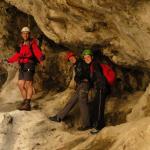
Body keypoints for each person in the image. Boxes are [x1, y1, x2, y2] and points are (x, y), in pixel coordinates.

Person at [0, 26, 45, 111]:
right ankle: (25, 101)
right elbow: (17, 55)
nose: (25, 35)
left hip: (29, 65)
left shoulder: (32, 43)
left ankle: (27, 104)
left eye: (27, 33)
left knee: (29, 84)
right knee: (20, 84)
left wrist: (41, 59)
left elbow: (37, 52)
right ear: (21, 34)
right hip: (22, 66)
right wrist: (8, 60)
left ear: (29, 34)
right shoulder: (21, 44)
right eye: (24, 33)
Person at [49, 51, 92, 131]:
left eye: (72, 57)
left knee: (83, 103)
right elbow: (78, 77)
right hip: (81, 85)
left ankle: (87, 124)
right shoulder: (77, 65)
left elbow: (84, 74)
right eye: (70, 59)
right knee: (72, 101)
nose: (71, 59)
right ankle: (59, 117)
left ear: (75, 56)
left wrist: (83, 79)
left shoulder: (81, 63)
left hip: (84, 84)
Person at [82, 49, 110, 134]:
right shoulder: (92, 65)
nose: (87, 59)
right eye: (85, 58)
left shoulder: (95, 64)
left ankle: (99, 127)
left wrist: (101, 87)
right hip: (100, 87)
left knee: (99, 107)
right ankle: (96, 124)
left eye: (88, 57)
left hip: (102, 87)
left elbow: (99, 76)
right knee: (96, 105)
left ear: (92, 57)